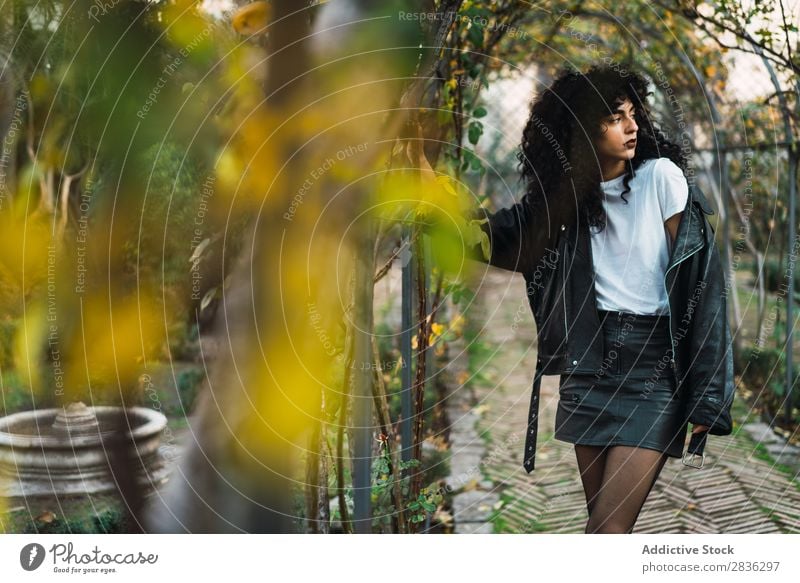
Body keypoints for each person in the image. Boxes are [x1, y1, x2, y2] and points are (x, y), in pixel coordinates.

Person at [430, 64, 734, 533]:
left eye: (634, 114)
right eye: (615, 118)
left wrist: (707, 396)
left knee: (607, 531)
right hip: (586, 367)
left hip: (651, 373)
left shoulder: (661, 179)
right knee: (604, 529)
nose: (632, 127)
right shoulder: (561, 202)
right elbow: (493, 237)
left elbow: (703, 287)